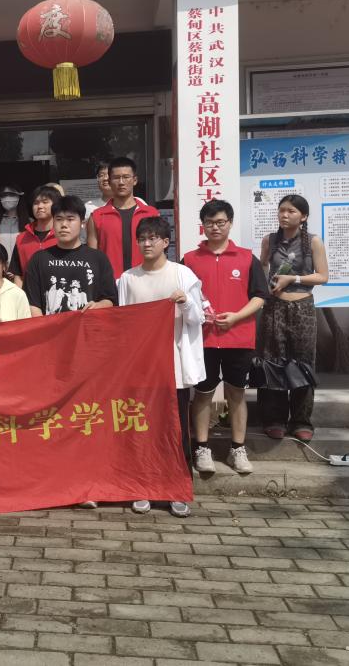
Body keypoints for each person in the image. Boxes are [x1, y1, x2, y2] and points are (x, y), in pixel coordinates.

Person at [118, 216, 205, 518]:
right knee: (142, 430)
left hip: (174, 368)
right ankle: (141, 486)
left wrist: (185, 302)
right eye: (142, 238)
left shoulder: (182, 275)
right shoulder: (128, 278)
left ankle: (177, 490)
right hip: (141, 369)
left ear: (166, 242)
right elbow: (123, 324)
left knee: (176, 430)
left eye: (153, 238)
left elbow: (198, 318)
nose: (147, 243)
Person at [183, 200, 270, 475]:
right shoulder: (189, 260)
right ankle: (201, 448)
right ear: (203, 226)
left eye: (220, 222)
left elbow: (260, 296)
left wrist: (236, 317)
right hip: (203, 340)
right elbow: (183, 297)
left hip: (238, 338)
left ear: (230, 223)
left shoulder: (246, 258)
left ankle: (238, 449)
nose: (215, 227)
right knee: (202, 394)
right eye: (209, 223)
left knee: (236, 393)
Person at [258, 194, 328, 442]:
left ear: (303, 216)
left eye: (291, 211)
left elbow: (322, 276)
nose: (285, 215)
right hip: (274, 307)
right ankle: (274, 419)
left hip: (303, 308)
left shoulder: (313, 241)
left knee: (303, 363)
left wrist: (293, 278)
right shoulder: (270, 240)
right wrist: (266, 286)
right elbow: (263, 266)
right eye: (282, 210)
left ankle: (301, 420)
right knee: (272, 361)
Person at [23, 195, 115, 317]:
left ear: (82, 223)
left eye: (70, 219)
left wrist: (98, 306)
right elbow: (32, 304)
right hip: (51, 327)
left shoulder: (98, 258)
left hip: (87, 326)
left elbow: (110, 299)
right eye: (59, 219)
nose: (64, 225)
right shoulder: (39, 259)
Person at [87, 156, 159, 277]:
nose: (121, 182)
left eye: (126, 177)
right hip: (110, 282)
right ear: (110, 181)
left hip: (146, 279)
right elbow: (92, 258)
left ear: (135, 180)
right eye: (116, 178)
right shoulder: (97, 216)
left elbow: (159, 251)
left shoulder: (151, 214)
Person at [8, 184, 60, 285]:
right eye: (36, 203)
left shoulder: (63, 236)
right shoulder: (21, 238)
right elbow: (18, 275)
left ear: (56, 205)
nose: (40, 206)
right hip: (29, 293)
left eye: (45, 202)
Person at [0, 185, 28, 259]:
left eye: (11, 194)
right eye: (4, 195)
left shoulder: (29, 222)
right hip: (0, 264)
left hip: (22, 265)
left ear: (19, 196)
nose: (7, 198)